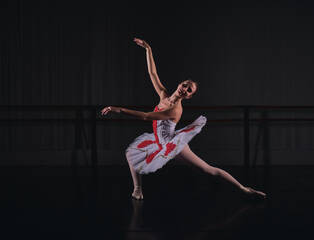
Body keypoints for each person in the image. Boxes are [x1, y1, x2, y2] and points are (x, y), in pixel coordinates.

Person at [101, 38, 266, 200]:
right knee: (131, 155)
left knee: (208, 169)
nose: (185, 89)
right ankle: (137, 189)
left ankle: (244, 188)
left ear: (188, 97)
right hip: (159, 141)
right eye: (185, 85)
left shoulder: (175, 110)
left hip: (172, 144)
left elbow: (146, 116)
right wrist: (148, 50)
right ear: (180, 83)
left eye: (189, 91)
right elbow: (152, 73)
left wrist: (119, 109)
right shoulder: (164, 95)